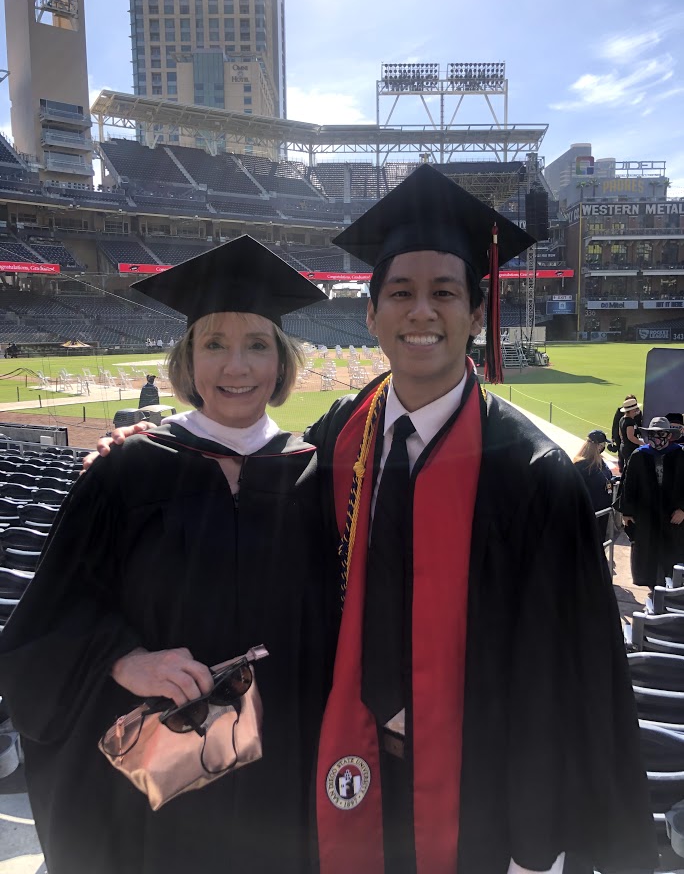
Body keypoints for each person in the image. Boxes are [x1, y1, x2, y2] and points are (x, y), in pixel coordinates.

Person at [86, 167, 656, 874]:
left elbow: (572, 670)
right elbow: (232, 485)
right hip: (342, 767)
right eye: (402, 294)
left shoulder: (533, 475)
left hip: (477, 795)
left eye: (444, 293)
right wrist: (145, 439)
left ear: (475, 315)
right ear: (372, 315)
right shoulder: (336, 437)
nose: (422, 312)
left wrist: (542, 836)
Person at [0, 236, 335, 874]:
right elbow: (43, 622)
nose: (236, 367)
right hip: (159, 787)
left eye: (257, 345)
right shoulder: (127, 473)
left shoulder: (313, 476)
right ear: (187, 360)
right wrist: (123, 659)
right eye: (214, 344)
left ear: (282, 361)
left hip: (283, 779)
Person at [621, 415, 684, 591]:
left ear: (669, 435)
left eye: (662, 433)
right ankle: (651, 586)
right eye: (654, 433)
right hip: (646, 514)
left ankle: (673, 589)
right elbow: (628, 484)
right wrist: (627, 512)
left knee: (672, 553)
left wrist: (683, 509)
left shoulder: (680, 454)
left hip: (673, 515)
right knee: (647, 552)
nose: (658, 437)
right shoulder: (639, 455)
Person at [572, 429, 615, 545]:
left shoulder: (600, 462)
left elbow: (607, 477)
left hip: (602, 511)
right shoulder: (580, 465)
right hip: (589, 514)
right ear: (598, 446)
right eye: (603, 444)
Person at [618, 394, 643, 470]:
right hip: (630, 448)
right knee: (632, 468)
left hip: (624, 446)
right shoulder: (630, 422)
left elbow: (620, 433)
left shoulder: (622, 419)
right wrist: (642, 443)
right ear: (632, 410)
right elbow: (631, 437)